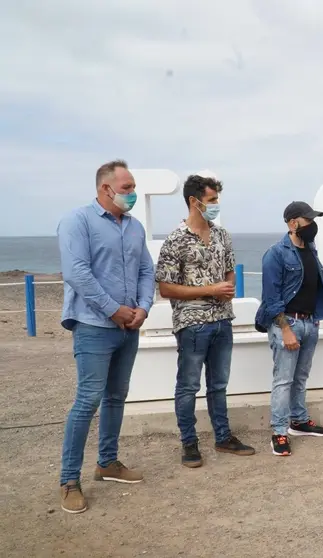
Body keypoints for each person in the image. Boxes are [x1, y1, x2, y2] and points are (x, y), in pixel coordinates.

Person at [56, 160, 155, 514]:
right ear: (105, 189)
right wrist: (114, 309)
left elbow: (146, 270)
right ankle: (69, 480)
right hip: (94, 326)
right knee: (88, 400)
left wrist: (143, 307)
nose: (132, 193)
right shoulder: (77, 221)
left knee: (117, 396)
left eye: (132, 187)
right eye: (127, 188)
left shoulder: (134, 227)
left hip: (129, 326)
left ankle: (108, 463)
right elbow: (77, 272)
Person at [155, 174, 255, 468]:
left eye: (216, 199)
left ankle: (223, 437)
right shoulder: (175, 240)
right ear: (194, 201)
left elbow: (229, 270)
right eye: (211, 200)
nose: (216, 205)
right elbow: (165, 287)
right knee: (188, 386)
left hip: (223, 320)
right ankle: (189, 443)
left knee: (219, 384)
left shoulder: (222, 235)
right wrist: (210, 290)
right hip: (192, 323)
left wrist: (227, 286)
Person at [255, 201, 323, 457]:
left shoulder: (310, 249)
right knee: (283, 380)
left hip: (310, 322)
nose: (312, 225)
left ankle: (299, 421)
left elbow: (314, 286)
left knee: (300, 377)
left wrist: (315, 317)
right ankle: (279, 431)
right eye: (308, 220)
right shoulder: (276, 253)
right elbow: (271, 297)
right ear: (292, 223)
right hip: (287, 324)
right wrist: (285, 329)